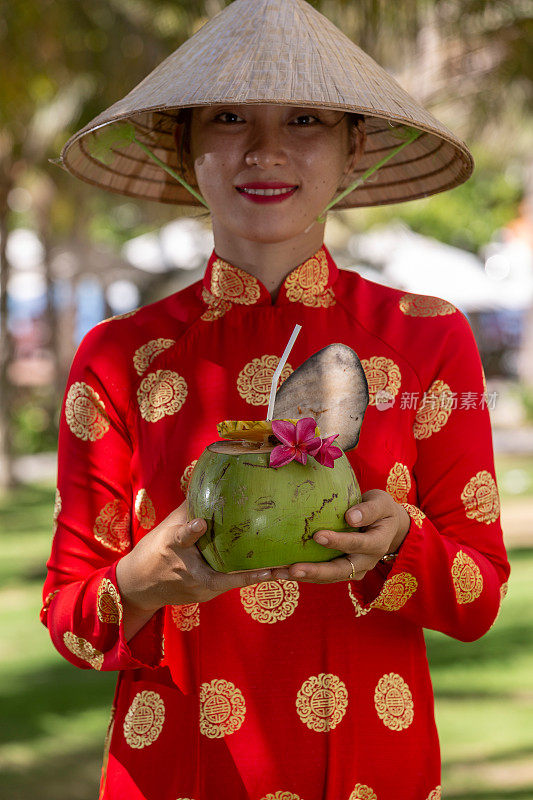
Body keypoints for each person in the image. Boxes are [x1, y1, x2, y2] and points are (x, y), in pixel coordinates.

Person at [41, 1, 510, 798]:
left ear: (352, 145)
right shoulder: (121, 356)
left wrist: (402, 542)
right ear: (183, 149)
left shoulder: (428, 338)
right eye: (227, 117)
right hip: (179, 770)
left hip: (373, 767)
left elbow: (477, 599)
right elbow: (70, 620)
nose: (264, 150)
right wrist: (137, 583)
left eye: (304, 119)